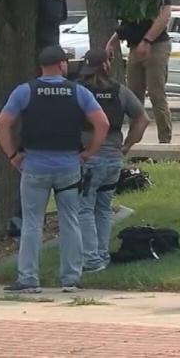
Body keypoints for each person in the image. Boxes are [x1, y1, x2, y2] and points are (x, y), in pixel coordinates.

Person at [0, 46, 109, 293]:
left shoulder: (25, 91)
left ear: (41, 67)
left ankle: (28, 278)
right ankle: (70, 279)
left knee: (32, 223)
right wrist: (89, 151)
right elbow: (102, 122)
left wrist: (13, 155)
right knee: (70, 221)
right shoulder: (78, 92)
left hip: (34, 165)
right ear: (62, 65)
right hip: (69, 165)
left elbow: (3, 124)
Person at [77, 49, 150, 273]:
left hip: (89, 159)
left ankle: (91, 260)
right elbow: (143, 119)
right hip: (113, 160)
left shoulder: (80, 91)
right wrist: (127, 145)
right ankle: (102, 255)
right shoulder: (120, 91)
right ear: (107, 67)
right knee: (103, 209)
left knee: (84, 209)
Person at [106, 0, 172, 144]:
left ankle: (164, 141)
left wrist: (148, 40)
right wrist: (112, 42)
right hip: (136, 46)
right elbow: (128, 23)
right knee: (134, 95)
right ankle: (133, 141)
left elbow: (164, 15)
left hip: (156, 45)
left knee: (156, 92)